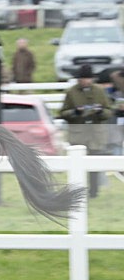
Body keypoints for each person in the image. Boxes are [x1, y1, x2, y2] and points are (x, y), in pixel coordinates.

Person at [59, 64, 113, 198]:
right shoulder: (71, 92)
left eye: (88, 78)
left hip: (95, 134)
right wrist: (75, 112)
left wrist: (100, 111)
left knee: (94, 165)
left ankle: (93, 192)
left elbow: (108, 112)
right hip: (79, 134)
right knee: (77, 165)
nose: (85, 81)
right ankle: (78, 191)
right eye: (83, 78)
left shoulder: (100, 91)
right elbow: (63, 113)